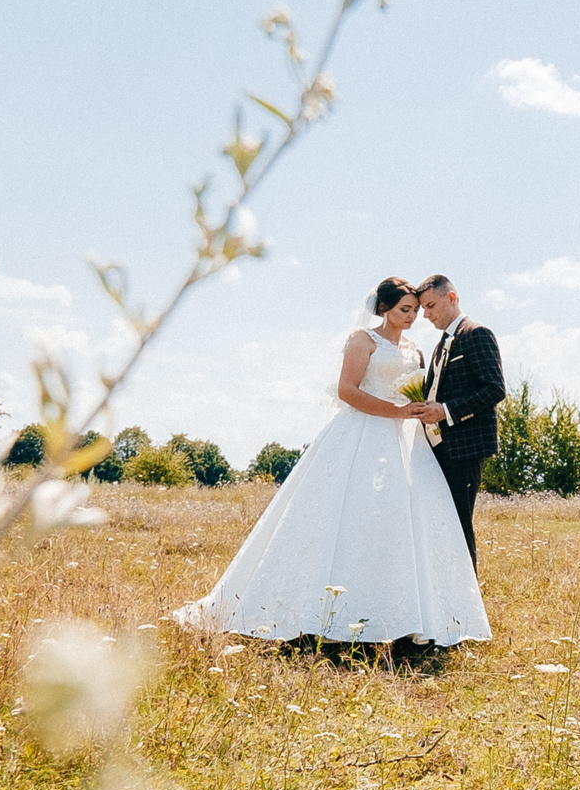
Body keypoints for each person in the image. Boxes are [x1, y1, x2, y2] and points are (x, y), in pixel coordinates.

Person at [171, 277, 488, 650]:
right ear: (384, 308)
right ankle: (320, 611)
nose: (413, 317)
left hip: (407, 442)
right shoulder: (362, 340)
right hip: (361, 434)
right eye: (406, 310)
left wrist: (417, 412)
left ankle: (408, 617)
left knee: (401, 520)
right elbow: (347, 391)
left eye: (417, 310)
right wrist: (397, 411)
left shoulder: (418, 350)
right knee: (349, 516)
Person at [415, 274, 505, 568]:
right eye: (423, 309)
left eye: (430, 306)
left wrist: (445, 411)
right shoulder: (441, 344)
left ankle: (468, 605)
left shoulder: (477, 333)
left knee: (459, 527)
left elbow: (494, 389)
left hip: (464, 448)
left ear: (451, 298)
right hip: (438, 449)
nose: (426, 315)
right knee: (442, 526)